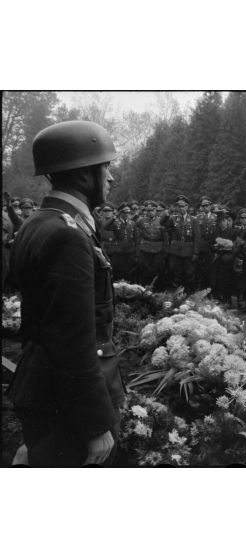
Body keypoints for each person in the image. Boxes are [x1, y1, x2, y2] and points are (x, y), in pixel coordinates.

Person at [7, 120, 125, 466]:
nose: (112, 178)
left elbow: (38, 322)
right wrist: (95, 424)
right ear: (84, 175)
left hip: (46, 389)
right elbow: (73, 341)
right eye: (106, 168)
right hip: (67, 402)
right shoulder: (68, 236)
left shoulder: (40, 222)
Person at [161, 195, 200, 292]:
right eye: (179, 206)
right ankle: (175, 294)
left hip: (188, 250)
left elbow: (197, 237)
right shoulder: (173, 218)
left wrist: (196, 252)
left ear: (187, 207)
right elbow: (162, 223)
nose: (181, 208)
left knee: (188, 273)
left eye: (183, 206)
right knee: (175, 272)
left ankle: (188, 294)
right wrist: (167, 213)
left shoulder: (193, 220)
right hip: (175, 251)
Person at [102, 201, 138, 282]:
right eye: (124, 212)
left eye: (128, 212)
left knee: (129, 271)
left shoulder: (132, 223)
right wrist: (114, 217)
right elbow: (106, 227)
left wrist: (136, 252)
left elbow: (136, 239)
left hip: (130, 251)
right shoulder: (115, 222)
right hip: (118, 251)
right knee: (117, 271)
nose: (127, 214)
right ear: (120, 212)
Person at [135, 200, 167, 287]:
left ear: (156, 211)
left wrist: (164, 251)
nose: (150, 213)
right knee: (145, 270)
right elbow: (135, 227)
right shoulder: (141, 220)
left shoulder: (161, 221)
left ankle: (156, 289)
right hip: (145, 248)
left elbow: (165, 237)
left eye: (152, 210)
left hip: (158, 248)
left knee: (157, 270)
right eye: (148, 211)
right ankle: (144, 288)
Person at [196, 196, 218, 290]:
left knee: (211, 269)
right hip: (202, 246)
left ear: (210, 206)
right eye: (203, 206)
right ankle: (200, 288)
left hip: (212, 246)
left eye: (207, 205)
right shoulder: (197, 217)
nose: (205, 207)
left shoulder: (216, 217)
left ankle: (210, 289)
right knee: (200, 268)